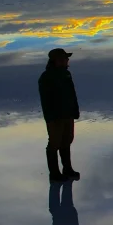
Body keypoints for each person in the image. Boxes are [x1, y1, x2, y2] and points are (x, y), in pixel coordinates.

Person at [39, 48, 80, 183]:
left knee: (67, 140)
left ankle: (67, 169)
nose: (67, 61)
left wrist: (75, 111)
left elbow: (72, 94)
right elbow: (46, 100)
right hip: (55, 117)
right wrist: (51, 117)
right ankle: (54, 173)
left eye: (66, 59)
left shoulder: (66, 74)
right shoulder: (46, 77)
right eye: (64, 59)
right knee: (54, 143)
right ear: (56, 61)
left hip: (67, 114)